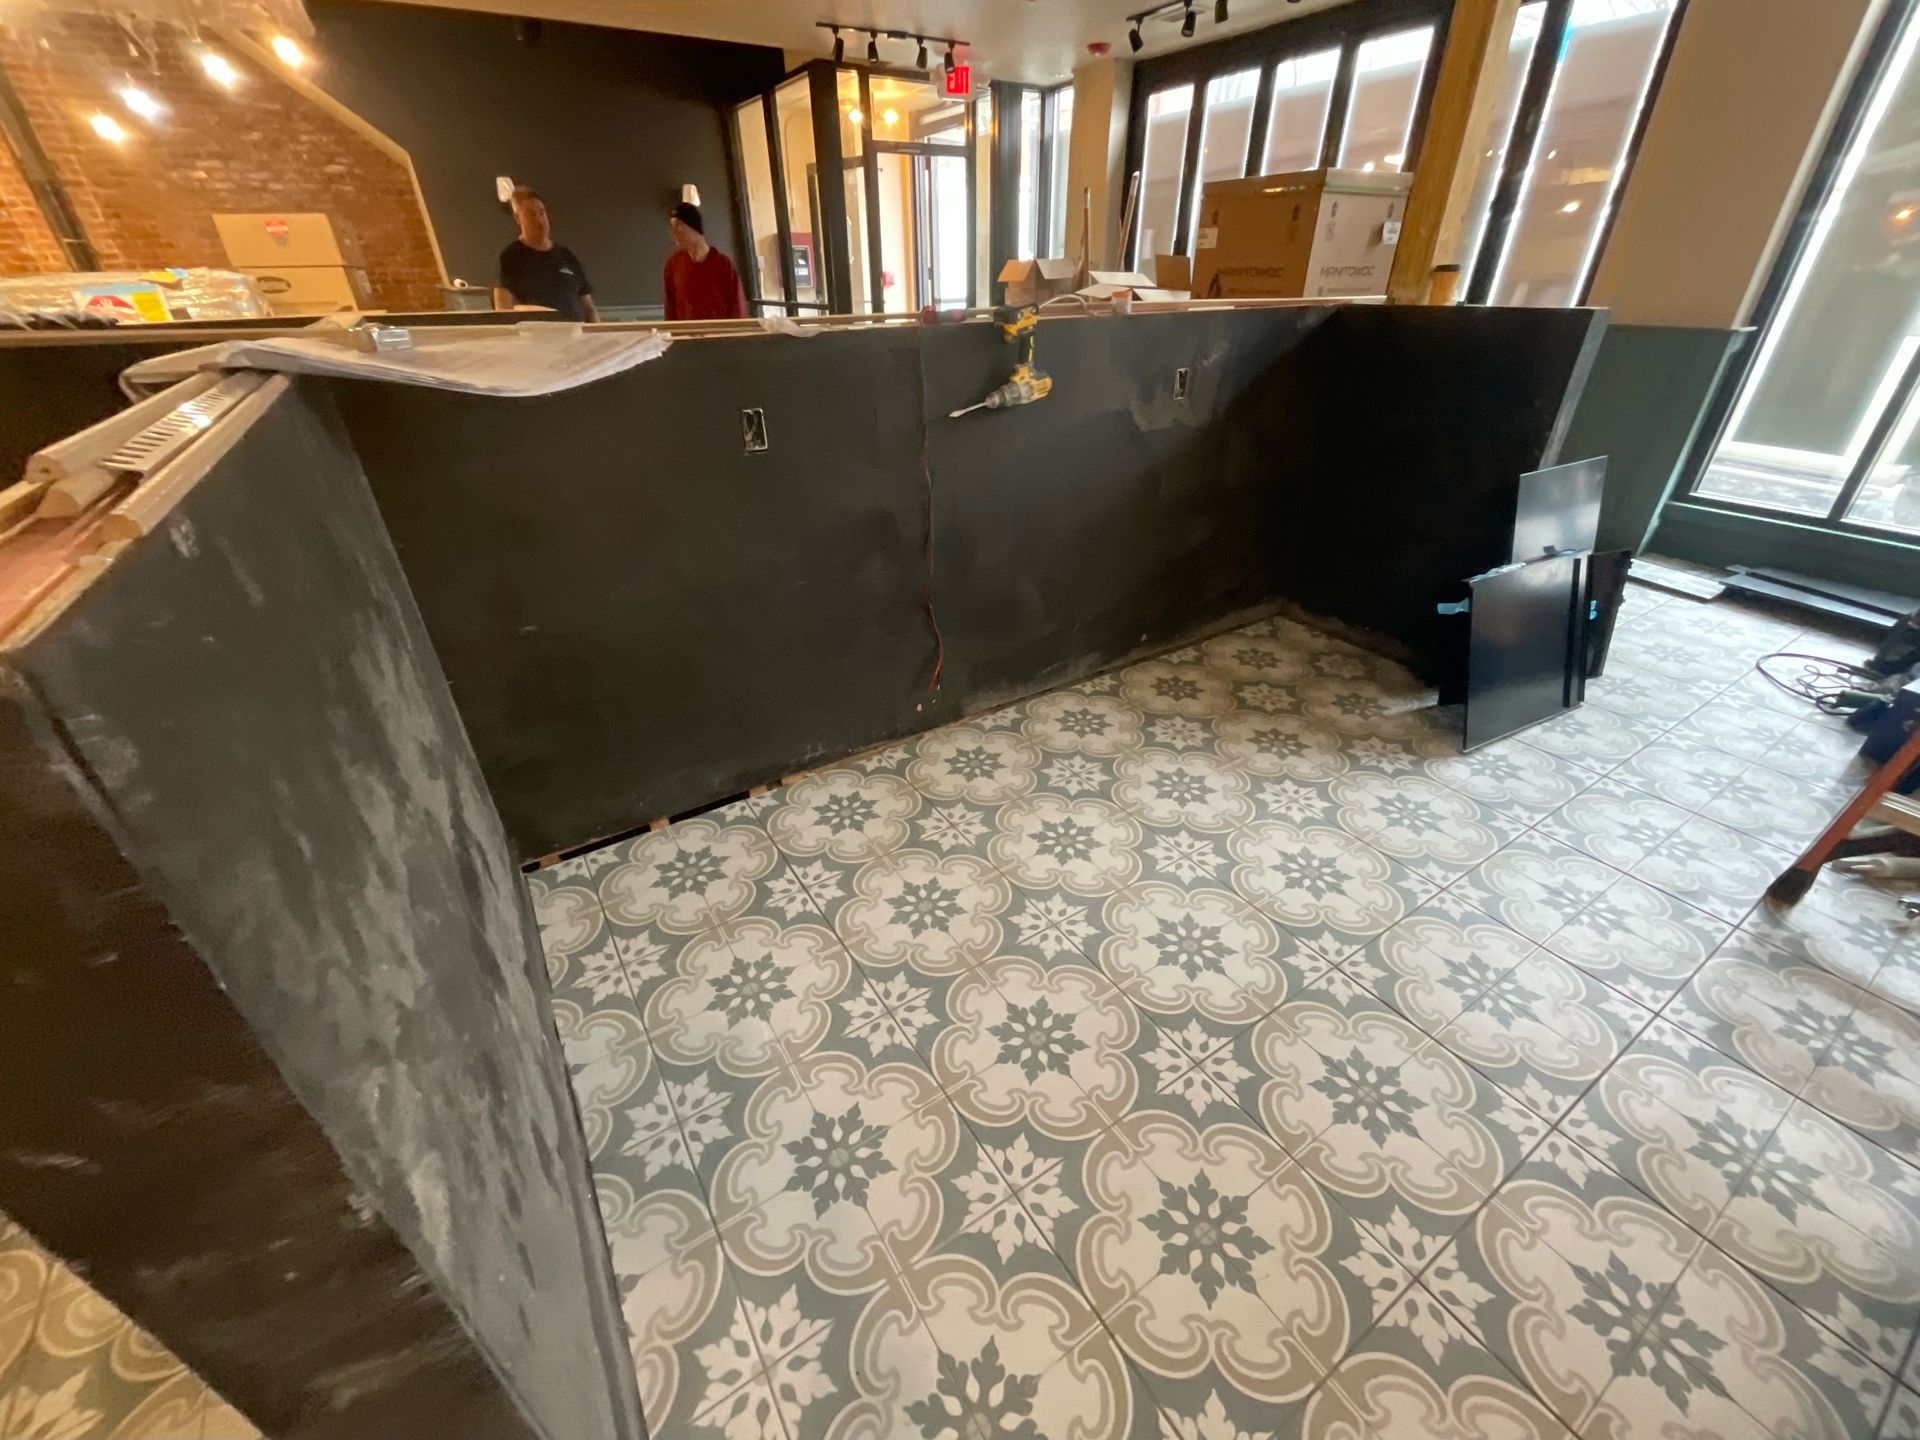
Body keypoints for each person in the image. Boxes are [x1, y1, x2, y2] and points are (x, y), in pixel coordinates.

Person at [494, 187, 598, 321]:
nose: (539, 220)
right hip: (537, 339)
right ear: (518, 218)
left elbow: (588, 307)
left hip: (575, 338)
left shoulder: (566, 256)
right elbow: (503, 310)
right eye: (530, 214)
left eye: (542, 213)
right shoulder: (510, 258)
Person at [663, 202, 748, 321]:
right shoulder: (673, 264)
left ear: (694, 227)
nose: (674, 232)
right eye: (672, 227)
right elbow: (670, 308)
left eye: (679, 225)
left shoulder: (723, 264)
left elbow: (737, 307)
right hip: (686, 336)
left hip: (718, 336)